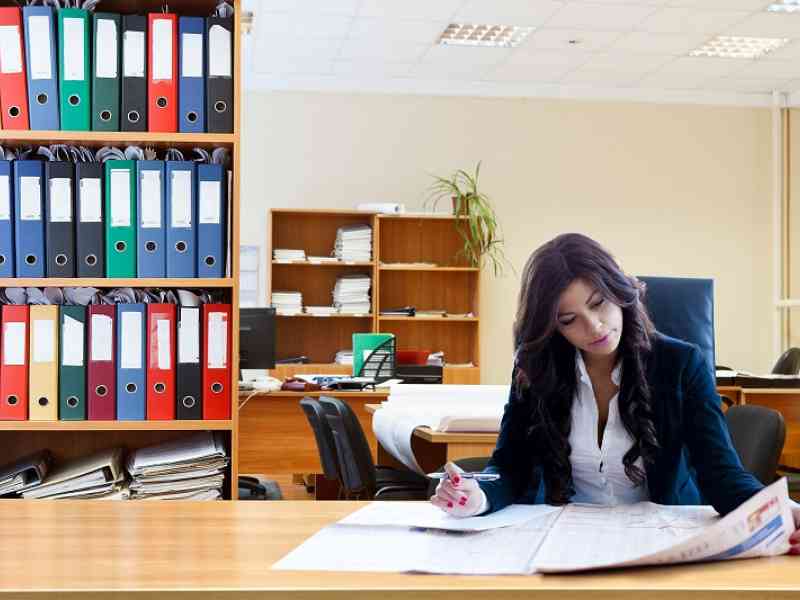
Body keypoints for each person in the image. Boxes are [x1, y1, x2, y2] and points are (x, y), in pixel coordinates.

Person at [430, 233, 800, 554]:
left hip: (663, 543)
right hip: (559, 543)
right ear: (551, 328)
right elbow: (509, 467)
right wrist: (477, 496)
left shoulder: (683, 364)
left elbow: (723, 477)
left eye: (598, 303)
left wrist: (788, 511)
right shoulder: (535, 367)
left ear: (619, 291)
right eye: (568, 320)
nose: (594, 327)